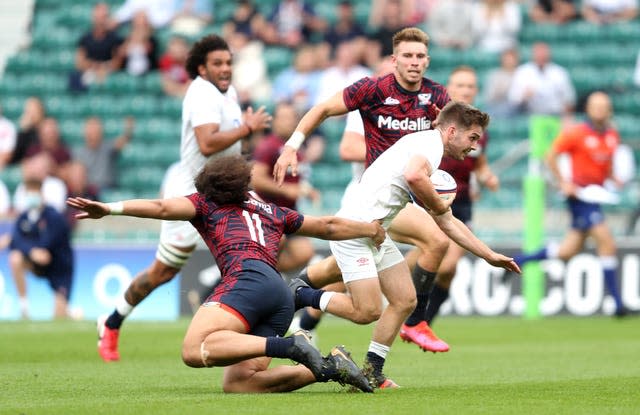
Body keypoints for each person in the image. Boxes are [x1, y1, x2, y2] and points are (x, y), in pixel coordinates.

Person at [68, 154, 378, 393]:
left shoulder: (205, 204)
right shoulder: (273, 211)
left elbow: (161, 207)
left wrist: (109, 208)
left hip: (246, 280)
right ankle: (330, 367)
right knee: (241, 382)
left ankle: (290, 346)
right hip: (280, 295)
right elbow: (328, 226)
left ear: (209, 188)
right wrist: (371, 229)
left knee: (193, 350)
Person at [288, 102, 520, 389]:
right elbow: (414, 176)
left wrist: (489, 255)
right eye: (472, 138)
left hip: (376, 231)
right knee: (367, 312)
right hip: (355, 229)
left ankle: (373, 370)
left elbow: (447, 222)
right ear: (451, 131)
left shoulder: (428, 145)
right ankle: (302, 294)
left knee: (405, 300)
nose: (475, 146)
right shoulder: (430, 148)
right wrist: (437, 203)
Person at [274, 27, 453, 364]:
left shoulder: (436, 98)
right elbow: (323, 109)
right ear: (394, 59)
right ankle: (416, 323)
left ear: (427, 61)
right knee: (436, 242)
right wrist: (291, 147)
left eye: (420, 56)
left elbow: (448, 139)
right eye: (408, 56)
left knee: (345, 274)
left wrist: (445, 180)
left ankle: (298, 292)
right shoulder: (372, 90)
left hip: (397, 200)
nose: (414, 62)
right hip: (369, 196)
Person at [95, 34, 272, 362]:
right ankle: (112, 320)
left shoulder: (229, 93)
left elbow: (232, 146)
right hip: (194, 192)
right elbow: (207, 144)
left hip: (227, 189)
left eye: (229, 62)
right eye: (217, 63)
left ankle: (252, 327)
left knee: (264, 247)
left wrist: (248, 138)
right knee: (163, 272)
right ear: (201, 68)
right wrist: (247, 129)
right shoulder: (201, 93)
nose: (225, 69)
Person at [400, 66, 500, 350]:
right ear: (449, 88)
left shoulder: (478, 130)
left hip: (462, 201)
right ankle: (418, 321)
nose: (466, 90)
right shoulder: (435, 121)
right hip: (428, 197)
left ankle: (419, 318)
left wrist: (486, 177)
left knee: (448, 270)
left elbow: (479, 163)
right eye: (460, 85)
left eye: (470, 86)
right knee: (447, 257)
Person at [510, 91, 630, 317]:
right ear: (588, 109)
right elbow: (550, 155)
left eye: (603, 106)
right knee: (606, 241)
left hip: (597, 195)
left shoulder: (612, 135)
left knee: (567, 252)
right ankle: (618, 303)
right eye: (595, 106)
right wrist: (564, 182)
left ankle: (519, 260)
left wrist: (613, 177)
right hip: (580, 198)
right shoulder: (576, 133)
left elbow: (605, 164)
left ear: (609, 110)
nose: (600, 110)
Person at [251, 102, 319, 273]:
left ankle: (267, 277)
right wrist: (286, 190)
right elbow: (256, 179)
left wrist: (306, 190)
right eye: (285, 118)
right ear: (274, 121)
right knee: (273, 250)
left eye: (293, 118)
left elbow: (293, 178)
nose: (289, 122)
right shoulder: (269, 146)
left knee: (305, 253)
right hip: (267, 212)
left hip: (289, 212)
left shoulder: (295, 148)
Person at [0, 162, 73, 319]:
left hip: (59, 267)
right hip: (37, 262)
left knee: (59, 315)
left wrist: (19, 242)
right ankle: (24, 308)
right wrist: (30, 249)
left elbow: (46, 244)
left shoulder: (54, 216)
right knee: (15, 258)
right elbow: (17, 239)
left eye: (35, 193)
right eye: (29, 193)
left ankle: (70, 311)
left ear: (42, 194)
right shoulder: (24, 216)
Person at [507, 42, 576, 117]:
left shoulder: (559, 72)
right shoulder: (522, 72)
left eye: (543, 54)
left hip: (555, 116)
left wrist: (567, 117)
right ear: (533, 55)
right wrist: (524, 96)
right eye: (538, 54)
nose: (541, 56)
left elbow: (569, 99)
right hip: (529, 116)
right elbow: (512, 98)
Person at [69, 2, 123, 92]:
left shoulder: (115, 39)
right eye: (98, 16)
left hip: (108, 74)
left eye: (103, 16)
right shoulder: (85, 38)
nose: (100, 20)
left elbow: (117, 63)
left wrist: (104, 68)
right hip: (89, 72)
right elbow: (79, 62)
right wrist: (94, 66)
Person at [73, 116, 134, 192]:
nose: (93, 132)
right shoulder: (78, 152)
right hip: (89, 190)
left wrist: (129, 130)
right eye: (90, 128)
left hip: (107, 189)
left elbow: (122, 142)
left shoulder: (108, 147)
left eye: (96, 129)